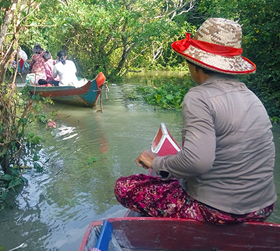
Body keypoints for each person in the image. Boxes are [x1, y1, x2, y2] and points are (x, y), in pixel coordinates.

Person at [114, 18, 277, 225]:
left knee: (125, 186)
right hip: (263, 207)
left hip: (218, 212)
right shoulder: (252, 97)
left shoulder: (198, 97)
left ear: (195, 65)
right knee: (174, 175)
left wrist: (155, 162)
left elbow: (198, 162)